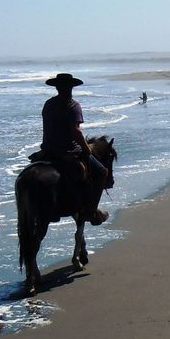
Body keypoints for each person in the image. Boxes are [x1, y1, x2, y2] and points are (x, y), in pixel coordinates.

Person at [40, 73, 109, 225]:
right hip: (68, 152)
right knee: (102, 172)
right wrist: (87, 149)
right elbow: (76, 131)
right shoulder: (73, 105)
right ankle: (91, 211)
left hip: (48, 150)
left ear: (57, 87)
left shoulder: (48, 104)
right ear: (71, 88)